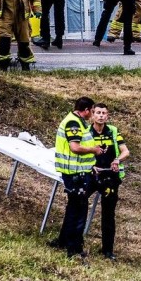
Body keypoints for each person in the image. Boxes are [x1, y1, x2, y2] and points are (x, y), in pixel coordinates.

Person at [50, 97, 99, 259]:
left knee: (72, 207)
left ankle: (63, 240)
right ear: (85, 110)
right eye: (92, 111)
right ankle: (74, 247)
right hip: (75, 174)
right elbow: (75, 147)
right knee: (80, 209)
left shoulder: (77, 122)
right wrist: (94, 150)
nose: (92, 114)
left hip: (78, 171)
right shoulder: (73, 123)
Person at [87, 102, 130, 260]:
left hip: (110, 177)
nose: (101, 115)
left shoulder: (113, 131)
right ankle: (72, 242)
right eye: (98, 112)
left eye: (104, 113)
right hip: (92, 175)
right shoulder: (87, 132)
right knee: (78, 204)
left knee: (108, 214)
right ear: (92, 114)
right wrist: (91, 166)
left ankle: (107, 250)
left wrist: (117, 160)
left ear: (107, 115)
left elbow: (126, 151)